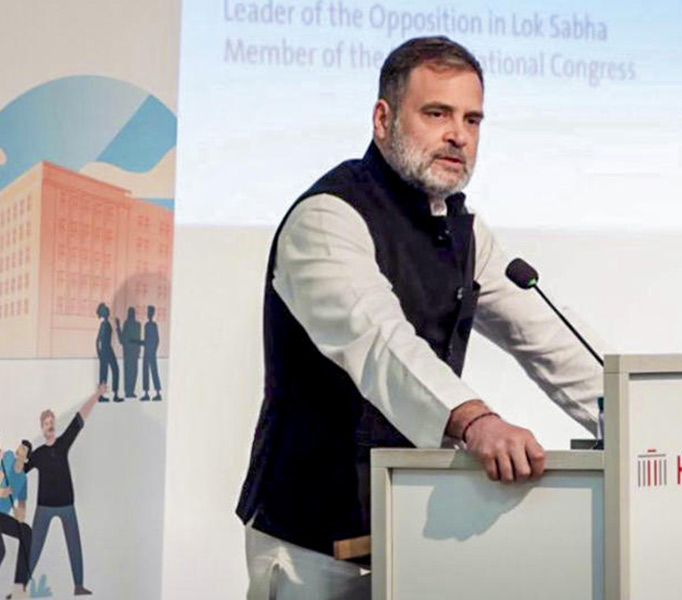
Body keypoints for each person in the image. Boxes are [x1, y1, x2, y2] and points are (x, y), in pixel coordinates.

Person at [236, 36, 604, 599]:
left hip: (406, 526)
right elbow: (380, 342)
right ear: (383, 119)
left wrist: (634, 420)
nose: (459, 134)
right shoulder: (327, 217)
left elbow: (546, 338)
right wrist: (477, 422)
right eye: (437, 113)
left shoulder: (462, 230)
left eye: (472, 119)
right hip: (311, 537)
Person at [26, 384, 105, 597]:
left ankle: (78, 586)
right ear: (42, 428)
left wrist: (97, 395)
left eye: (52, 422)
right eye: (46, 423)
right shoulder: (38, 454)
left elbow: (80, 418)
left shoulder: (63, 443)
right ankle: (20, 586)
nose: (50, 426)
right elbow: (19, 470)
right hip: (44, 508)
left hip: (66, 505)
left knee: (74, 545)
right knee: (34, 548)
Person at [0, 438, 32, 599]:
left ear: (26, 459)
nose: (20, 450)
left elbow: (22, 503)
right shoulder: (7, 458)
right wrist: (0, 492)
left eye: (24, 450)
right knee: (25, 532)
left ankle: (18, 590)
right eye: (20, 447)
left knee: (1, 551)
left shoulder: (23, 479)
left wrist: (21, 513)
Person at [95, 304, 122, 403]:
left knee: (112, 370)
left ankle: (113, 395)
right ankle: (105, 396)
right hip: (105, 350)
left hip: (107, 349)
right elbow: (98, 340)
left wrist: (99, 353)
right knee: (106, 372)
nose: (109, 312)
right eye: (107, 311)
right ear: (104, 313)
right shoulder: (104, 324)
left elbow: (98, 341)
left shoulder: (106, 324)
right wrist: (99, 354)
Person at [115, 307, 142, 398]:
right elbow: (124, 340)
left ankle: (129, 392)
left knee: (130, 372)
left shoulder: (131, 324)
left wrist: (118, 327)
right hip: (131, 352)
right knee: (131, 372)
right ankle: (129, 392)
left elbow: (122, 340)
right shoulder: (135, 325)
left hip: (130, 352)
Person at [140, 305, 162, 402]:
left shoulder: (153, 325)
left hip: (151, 352)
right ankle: (146, 393)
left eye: (149, 312)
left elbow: (156, 339)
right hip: (147, 351)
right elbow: (147, 340)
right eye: (148, 312)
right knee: (146, 371)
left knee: (154, 371)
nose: (148, 314)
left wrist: (153, 350)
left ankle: (157, 392)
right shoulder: (146, 325)